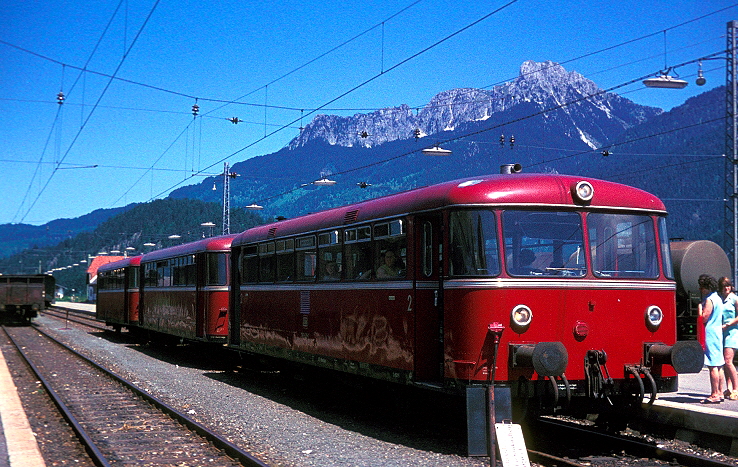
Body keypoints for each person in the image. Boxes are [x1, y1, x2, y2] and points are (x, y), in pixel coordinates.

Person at [698, 274, 725, 404]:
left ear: (706, 287)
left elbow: (704, 317)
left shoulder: (709, 300)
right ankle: (720, 392)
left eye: (701, 287)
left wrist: (699, 309)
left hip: (710, 332)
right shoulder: (718, 298)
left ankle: (714, 394)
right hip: (718, 332)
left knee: (712, 364)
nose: (700, 290)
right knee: (719, 364)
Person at [719, 276, 738, 400]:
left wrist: (728, 324)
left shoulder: (734, 299)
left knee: (728, 361)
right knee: (725, 363)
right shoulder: (720, 300)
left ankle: (736, 389)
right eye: (724, 286)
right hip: (722, 333)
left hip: (732, 332)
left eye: (728, 285)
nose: (727, 288)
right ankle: (729, 388)